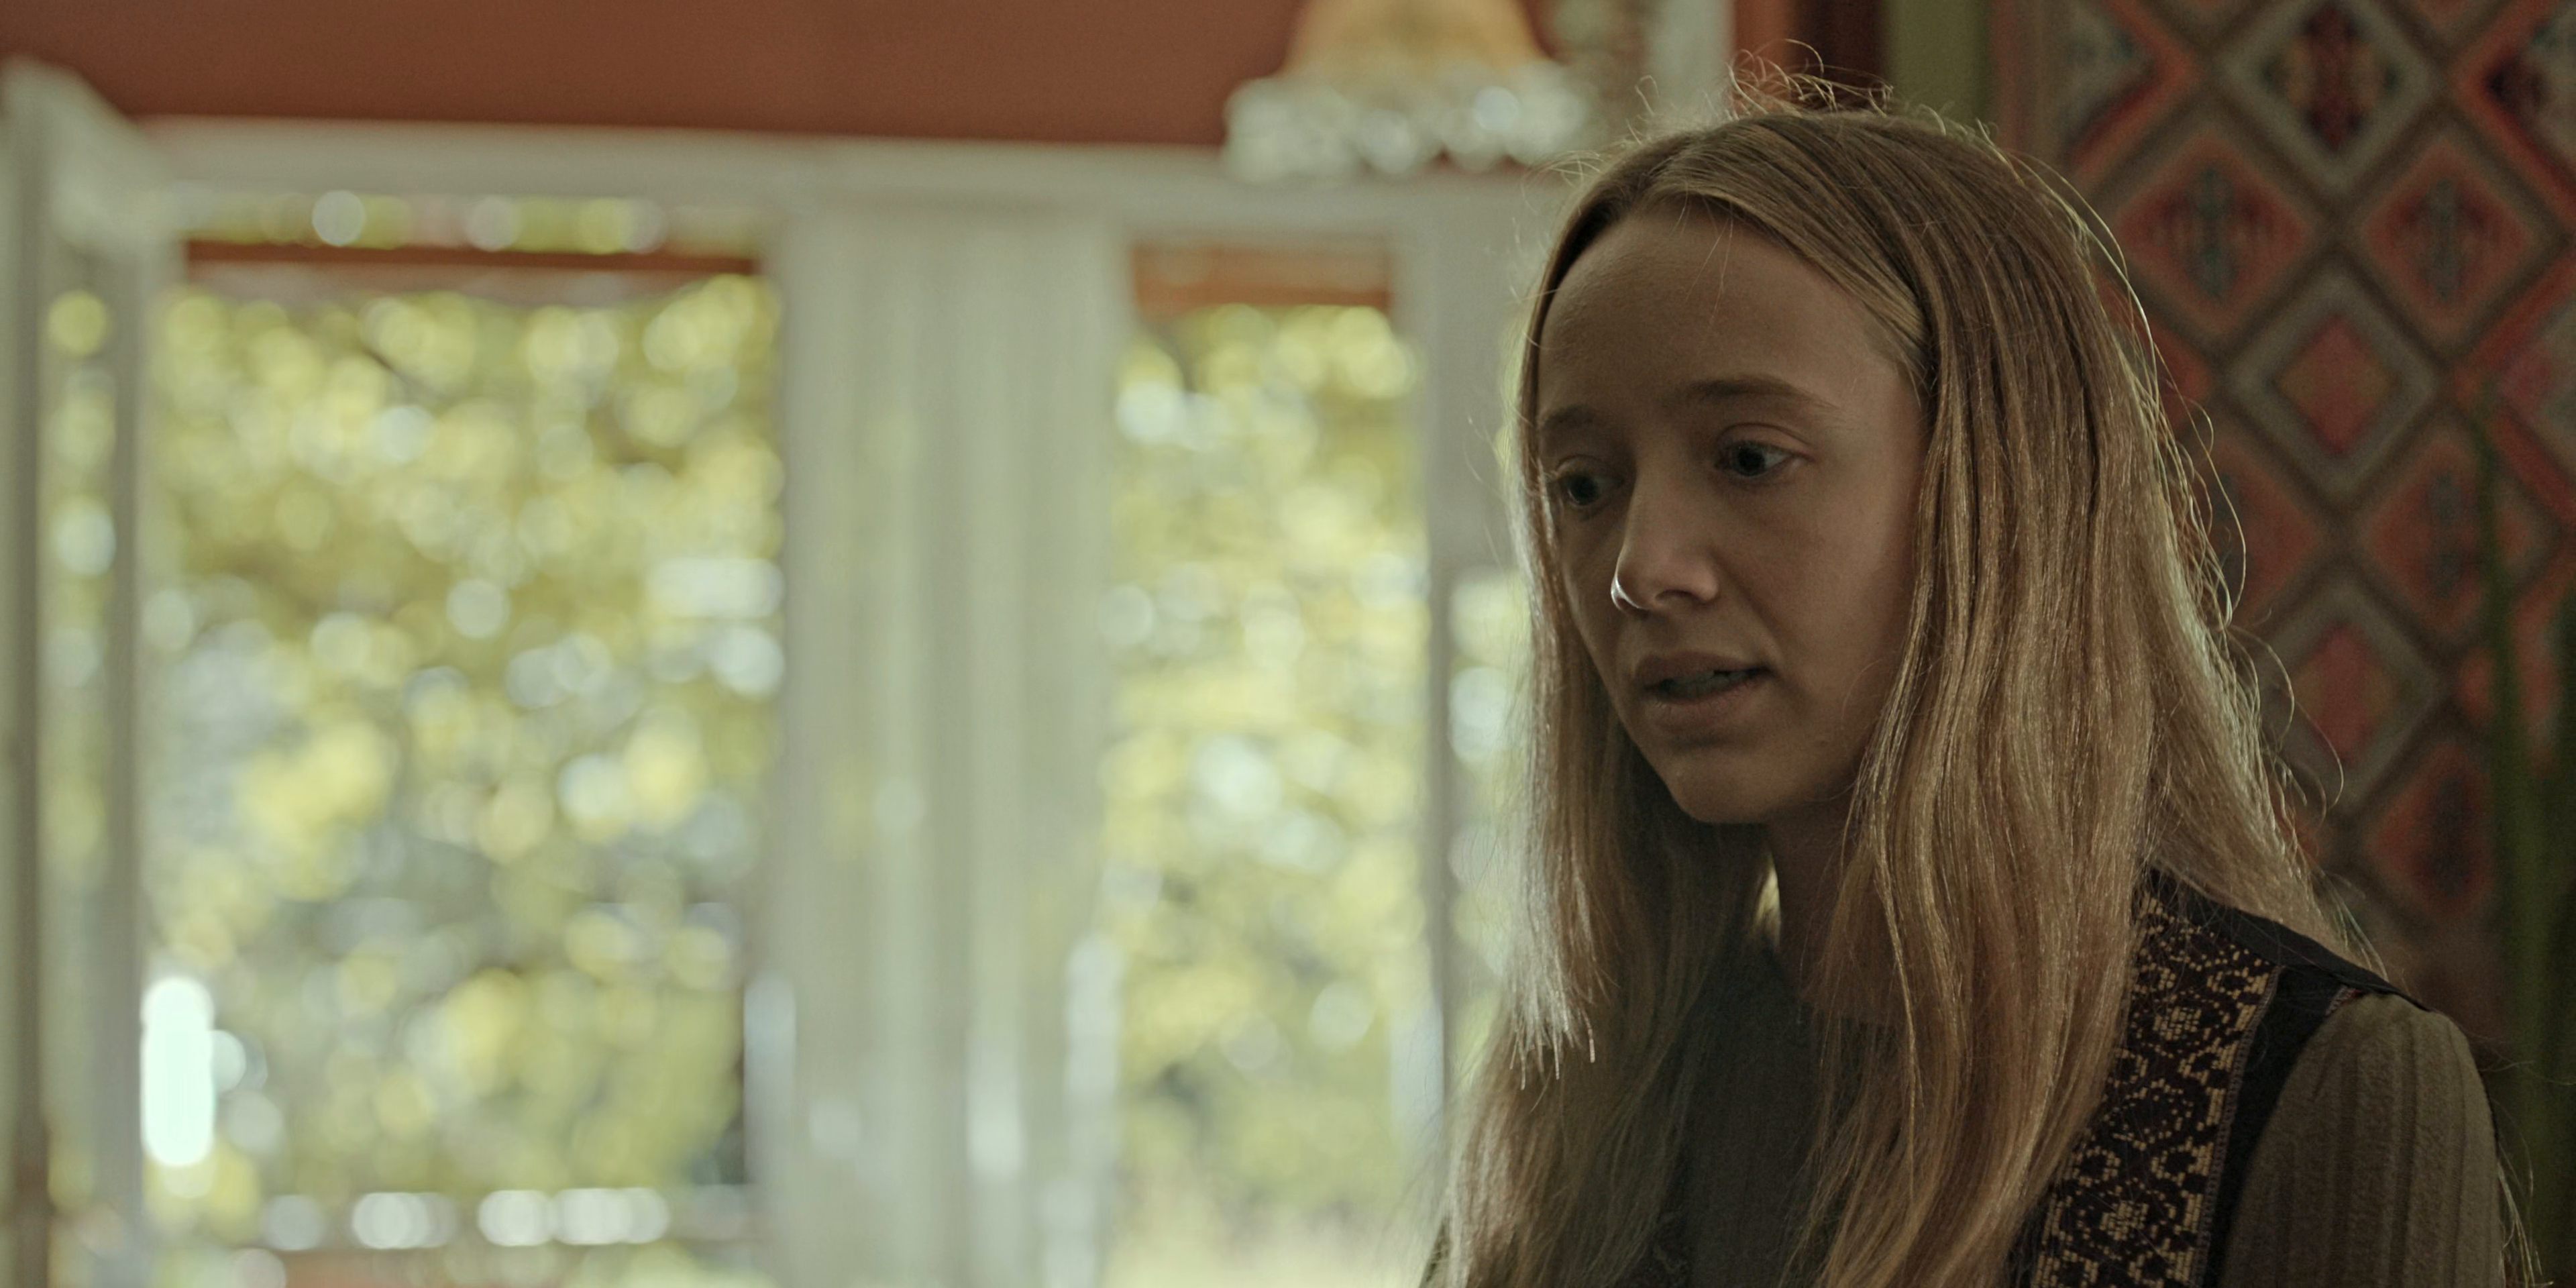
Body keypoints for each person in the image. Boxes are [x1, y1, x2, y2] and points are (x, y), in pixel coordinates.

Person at [1425, 99, 2514, 1288]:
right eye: (1583, 486)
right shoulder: (1582, 1106)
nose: (1639, 569)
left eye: (1748, 458)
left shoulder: (2316, 1089)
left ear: (1996, 491)